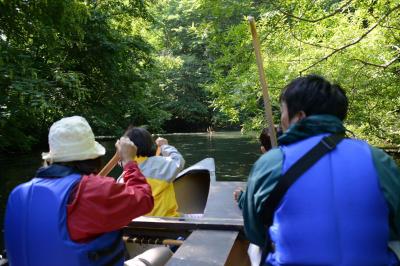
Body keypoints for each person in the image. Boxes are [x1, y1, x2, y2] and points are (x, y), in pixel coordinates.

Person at [237, 75, 400, 265]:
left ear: (299, 117)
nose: (281, 120)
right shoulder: (378, 159)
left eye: (282, 111)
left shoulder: (271, 162)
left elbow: (255, 233)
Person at [4, 116, 155, 266]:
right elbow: (145, 199)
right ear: (93, 156)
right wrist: (129, 162)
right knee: (161, 253)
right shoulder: (93, 190)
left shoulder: (18, 194)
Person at [123, 127, 185, 217]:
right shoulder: (162, 164)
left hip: (138, 224)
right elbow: (179, 160)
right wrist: (165, 146)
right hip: (166, 222)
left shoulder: (125, 173)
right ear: (149, 144)